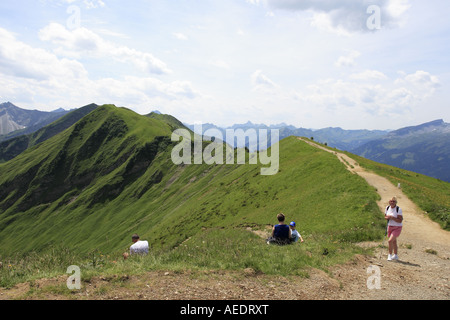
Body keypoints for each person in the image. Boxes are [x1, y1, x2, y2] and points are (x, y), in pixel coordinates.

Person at [385, 197, 403, 261]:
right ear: (389, 202)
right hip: (390, 226)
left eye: (393, 201)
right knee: (394, 241)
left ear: (396, 202)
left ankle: (389, 255)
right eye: (391, 201)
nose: (392, 202)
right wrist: (387, 218)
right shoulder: (387, 208)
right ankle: (395, 255)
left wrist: (392, 218)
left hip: (397, 227)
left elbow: (400, 220)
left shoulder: (398, 209)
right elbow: (385, 216)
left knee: (390, 241)